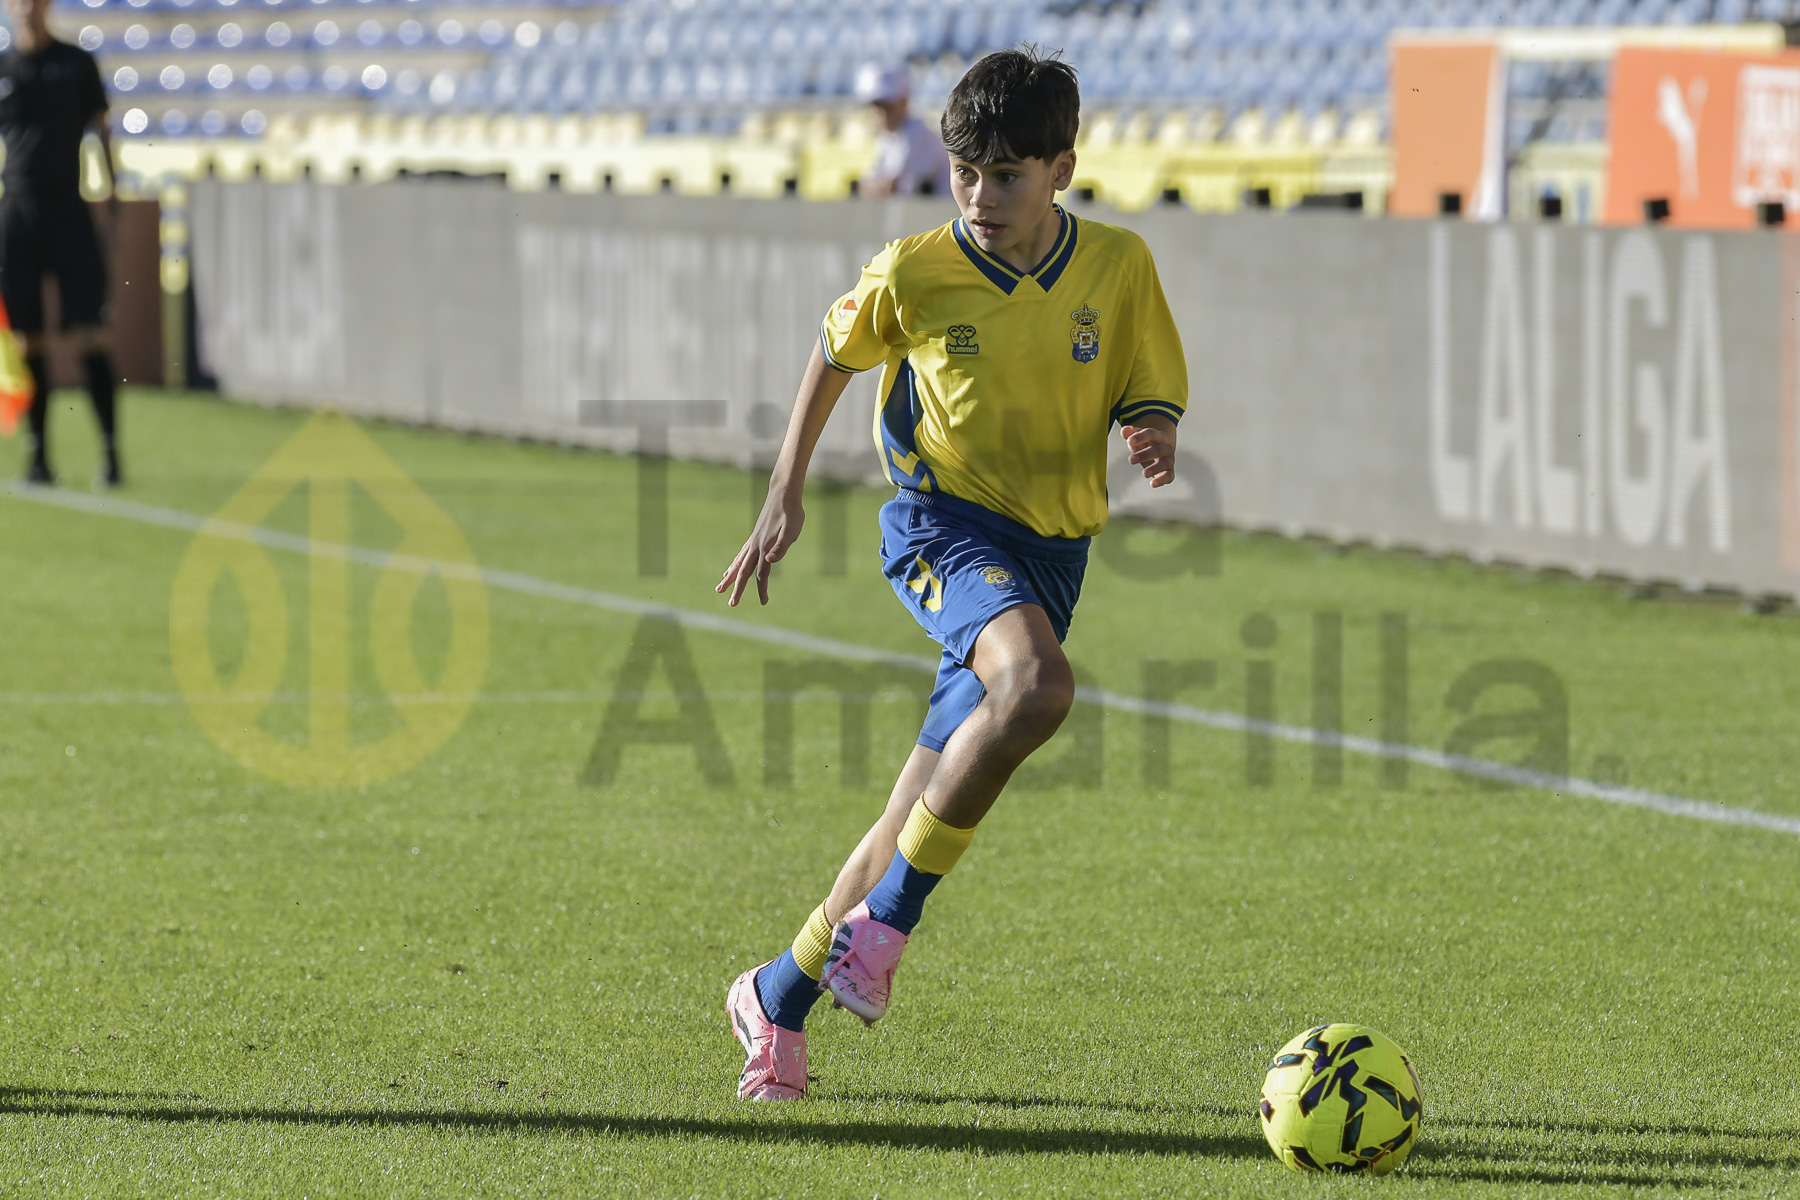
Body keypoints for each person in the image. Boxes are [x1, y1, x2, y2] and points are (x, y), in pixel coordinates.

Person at [718, 48, 1188, 1101]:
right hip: (942, 527)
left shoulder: (1119, 266)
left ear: (1063, 170)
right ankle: (887, 926)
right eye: (966, 172)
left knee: (908, 819)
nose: (981, 195)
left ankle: (775, 996)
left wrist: (1152, 427)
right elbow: (833, 353)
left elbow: (1144, 377)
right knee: (1040, 686)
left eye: (1008, 175)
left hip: (1051, 555)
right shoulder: (915, 270)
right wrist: (784, 491)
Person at [0, 0, 121, 487]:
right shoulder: (4, 68)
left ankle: (111, 452)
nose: (27, 8)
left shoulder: (75, 63)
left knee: (90, 334)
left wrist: (113, 191)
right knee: (27, 341)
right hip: (18, 216)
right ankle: (38, 457)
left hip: (68, 211)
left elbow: (100, 128)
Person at [854, 62, 951, 199]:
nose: (882, 113)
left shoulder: (917, 132)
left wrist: (869, 187)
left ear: (903, 102)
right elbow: (869, 183)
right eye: (877, 106)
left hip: (943, 209)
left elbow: (889, 187)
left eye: (888, 106)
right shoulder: (888, 137)